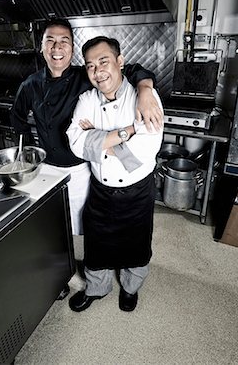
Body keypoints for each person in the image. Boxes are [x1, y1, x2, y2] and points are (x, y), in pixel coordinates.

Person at [10, 18, 163, 236]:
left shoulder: (86, 75)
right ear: (41, 47)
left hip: (80, 168)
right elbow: (17, 119)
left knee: (82, 224)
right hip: (46, 167)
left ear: (72, 48)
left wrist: (146, 88)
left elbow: (132, 69)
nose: (57, 48)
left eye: (64, 41)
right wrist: (29, 153)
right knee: (52, 223)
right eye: (50, 41)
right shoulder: (30, 84)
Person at [66, 36, 164, 312]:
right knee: (97, 242)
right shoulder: (86, 100)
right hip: (101, 189)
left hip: (137, 190)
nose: (98, 72)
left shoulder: (144, 97)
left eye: (104, 62)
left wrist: (96, 138)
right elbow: (76, 144)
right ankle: (97, 288)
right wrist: (127, 132)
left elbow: (142, 152)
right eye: (90, 66)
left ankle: (131, 289)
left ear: (120, 62)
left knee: (137, 243)